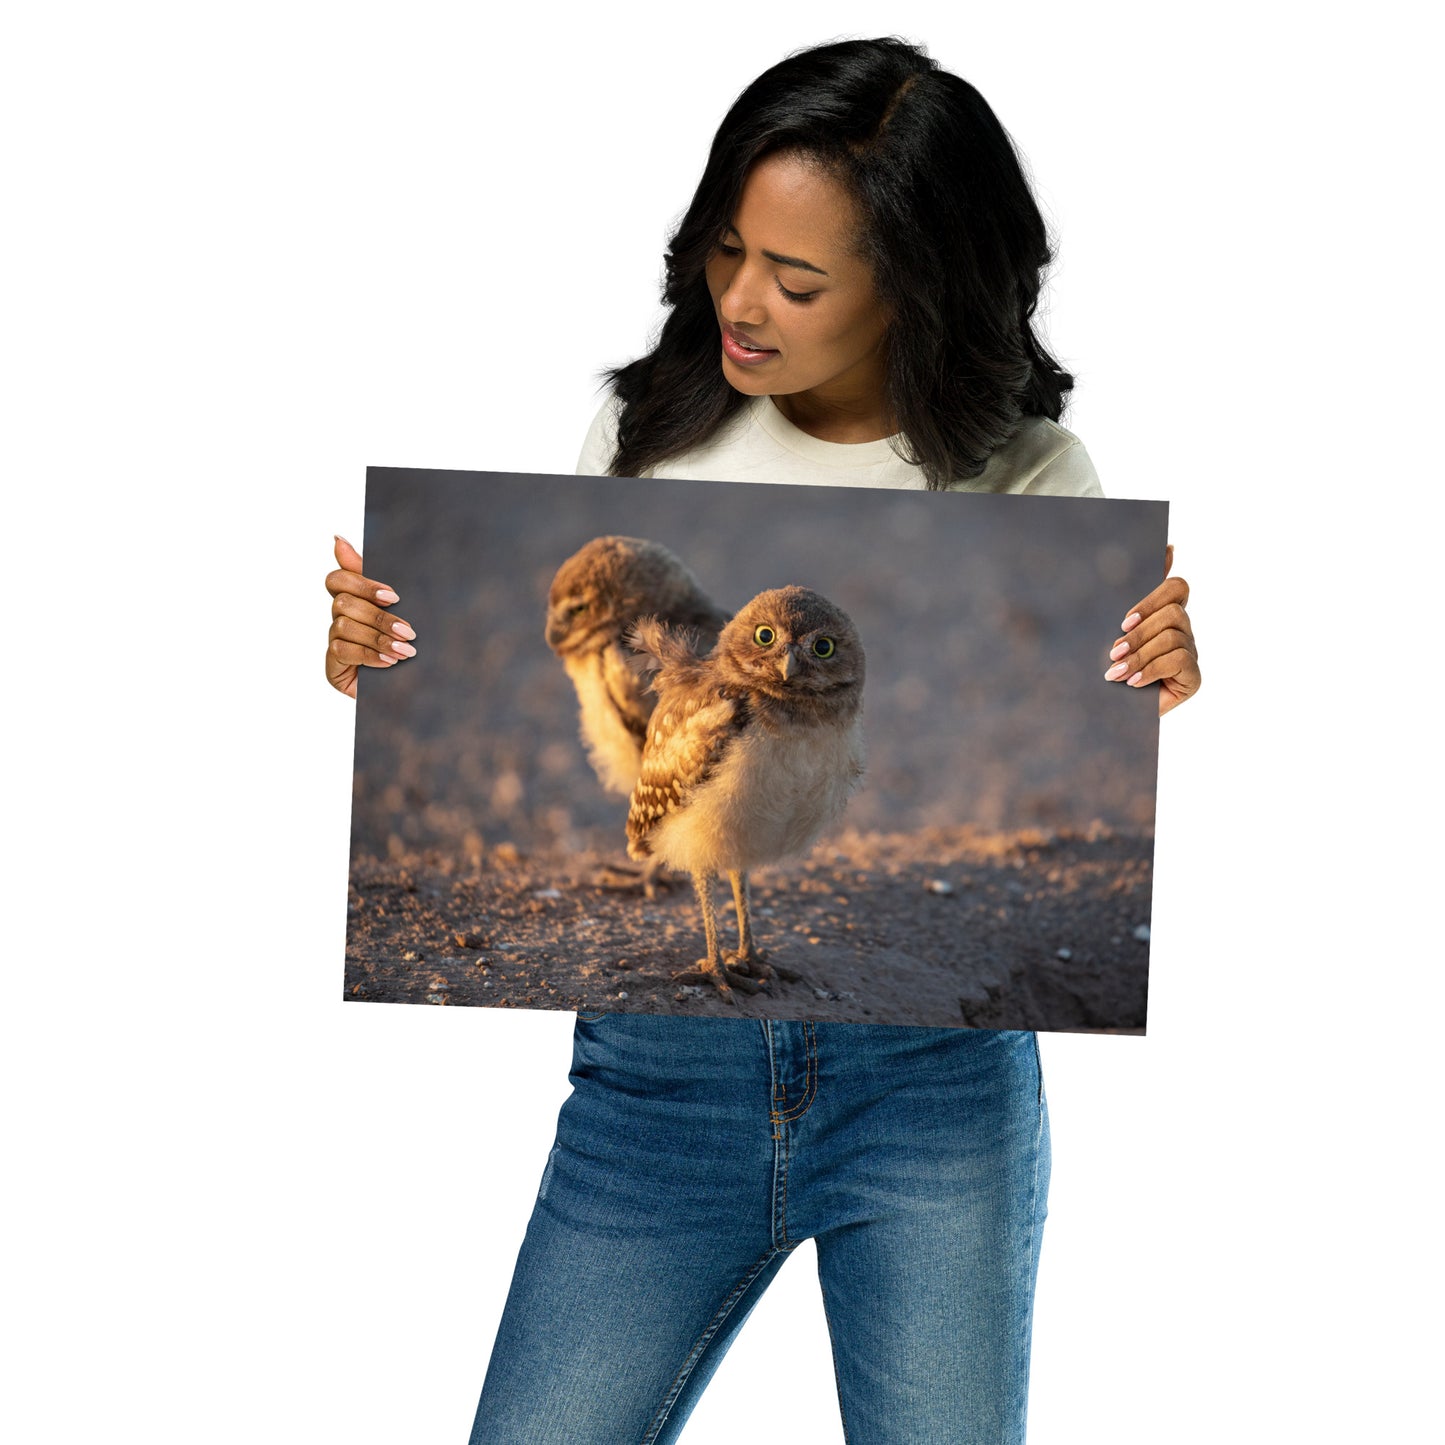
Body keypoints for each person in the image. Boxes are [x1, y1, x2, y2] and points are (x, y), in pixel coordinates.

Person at [326, 37, 1199, 1443]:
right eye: (728, 251)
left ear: (912, 286)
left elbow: (1124, 689)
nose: (741, 300)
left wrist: (1158, 669)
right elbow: (607, 700)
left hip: (932, 1095)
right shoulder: (642, 426)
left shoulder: (1030, 468)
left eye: (795, 280)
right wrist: (368, 652)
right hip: (652, 1089)